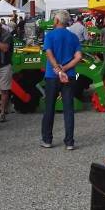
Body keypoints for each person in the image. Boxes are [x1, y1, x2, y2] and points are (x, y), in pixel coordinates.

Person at [41, 10, 82, 150]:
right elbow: (78, 57)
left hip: (52, 76)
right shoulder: (73, 37)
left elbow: (49, 53)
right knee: (68, 109)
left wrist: (57, 69)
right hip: (69, 75)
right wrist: (64, 68)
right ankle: (69, 142)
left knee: (49, 108)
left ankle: (47, 140)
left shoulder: (50, 35)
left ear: (57, 21)